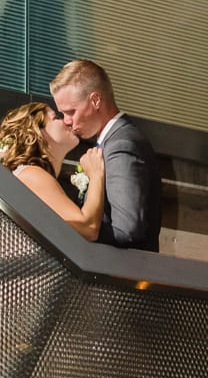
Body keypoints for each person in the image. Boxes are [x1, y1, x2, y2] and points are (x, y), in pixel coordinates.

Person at [50, 59, 161, 251]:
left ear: (96, 100)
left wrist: (72, 231)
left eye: (71, 112)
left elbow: (127, 229)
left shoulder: (121, 145)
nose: (66, 121)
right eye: (63, 113)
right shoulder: (112, 142)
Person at [0, 99, 106, 240]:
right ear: (37, 132)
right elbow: (88, 227)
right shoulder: (31, 174)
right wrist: (96, 175)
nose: (67, 121)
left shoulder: (30, 175)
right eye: (56, 118)